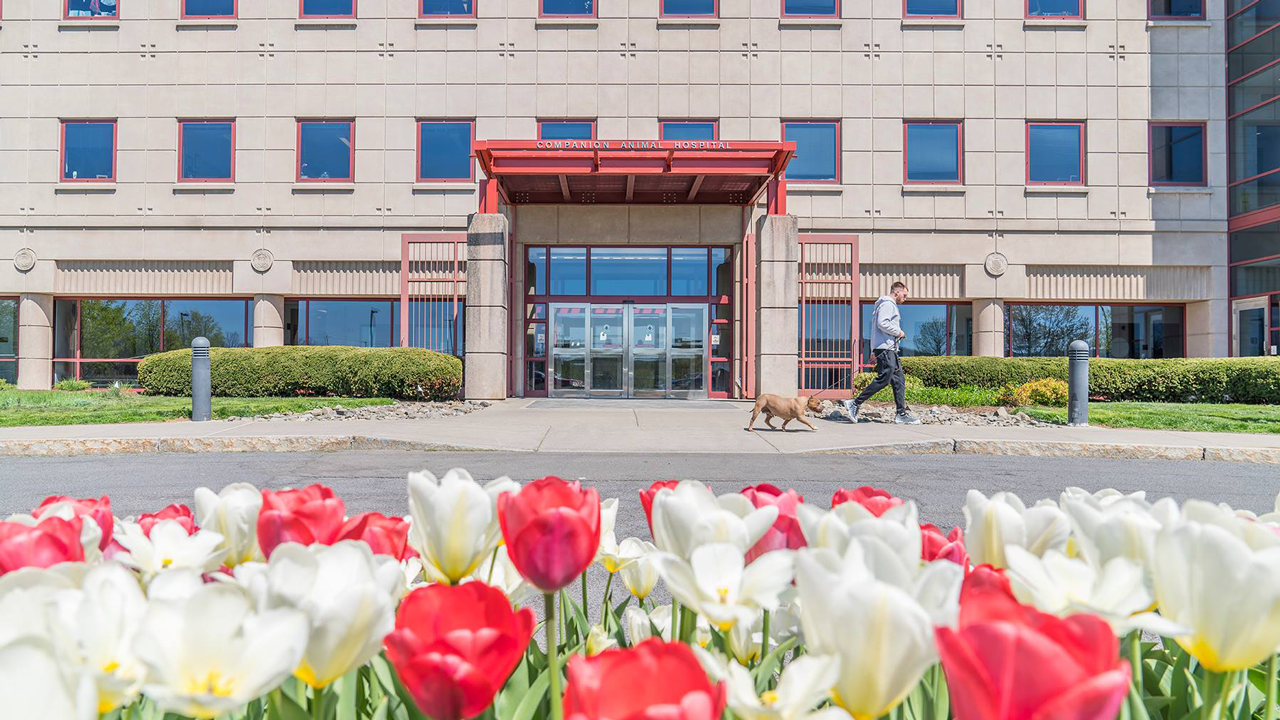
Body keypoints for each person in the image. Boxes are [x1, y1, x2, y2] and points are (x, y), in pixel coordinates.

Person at [844, 281, 920, 424]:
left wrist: (873, 350)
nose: (905, 298)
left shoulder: (885, 305)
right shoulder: (887, 304)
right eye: (904, 295)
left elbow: (875, 329)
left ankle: (901, 414)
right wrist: (899, 331)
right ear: (896, 292)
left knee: (899, 380)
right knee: (885, 377)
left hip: (887, 348)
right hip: (886, 348)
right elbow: (882, 323)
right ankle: (854, 403)